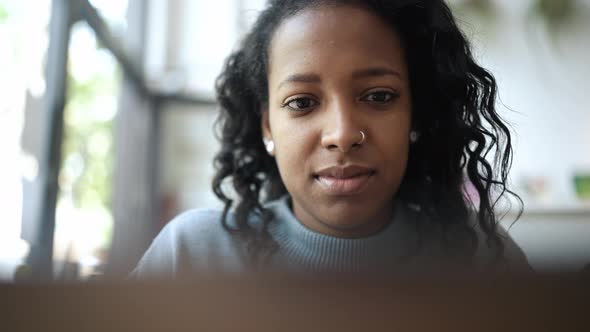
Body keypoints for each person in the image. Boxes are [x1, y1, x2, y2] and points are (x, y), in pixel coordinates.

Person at [132, 0, 531, 278]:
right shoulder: (192, 255)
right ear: (268, 127)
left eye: (378, 96)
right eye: (302, 102)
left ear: (415, 114)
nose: (342, 135)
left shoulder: (479, 256)